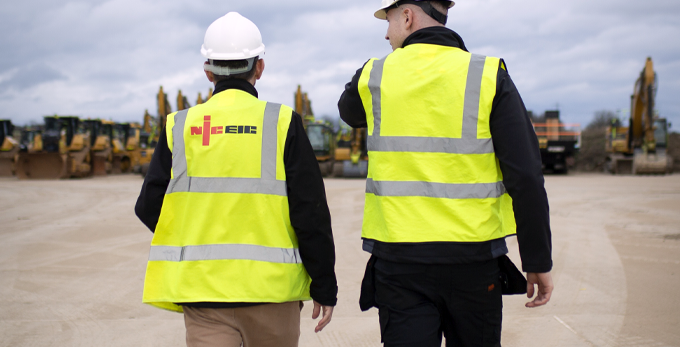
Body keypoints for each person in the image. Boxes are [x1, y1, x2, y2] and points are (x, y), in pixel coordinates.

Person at [337, 1, 554, 346]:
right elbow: (526, 176)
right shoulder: (487, 74)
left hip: (400, 264)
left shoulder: (375, 75)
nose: (386, 33)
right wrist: (537, 258)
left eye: (389, 21)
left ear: (407, 16)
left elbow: (347, 111)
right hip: (474, 262)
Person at [135, 12, 337, 347]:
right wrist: (324, 285)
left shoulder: (181, 125)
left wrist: (195, 230)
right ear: (259, 67)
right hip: (272, 294)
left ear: (208, 71)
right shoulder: (282, 122)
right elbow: (310, 213)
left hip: (203, 294)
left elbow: (148, 206)